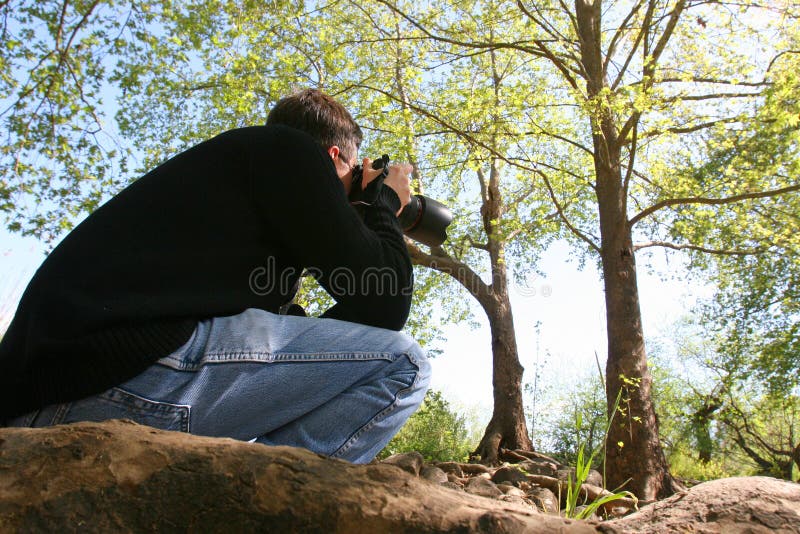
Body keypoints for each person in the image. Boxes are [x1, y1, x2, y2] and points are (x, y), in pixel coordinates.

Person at [0, 88, 431, 463]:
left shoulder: (231, 187)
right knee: (403, 365)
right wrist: (383, 203)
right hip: (112, 379)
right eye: (357, 172)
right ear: (336, 157)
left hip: (48, 396)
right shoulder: (291, 151)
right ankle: (265, 506)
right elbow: (388, 301)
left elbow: (350, 321)